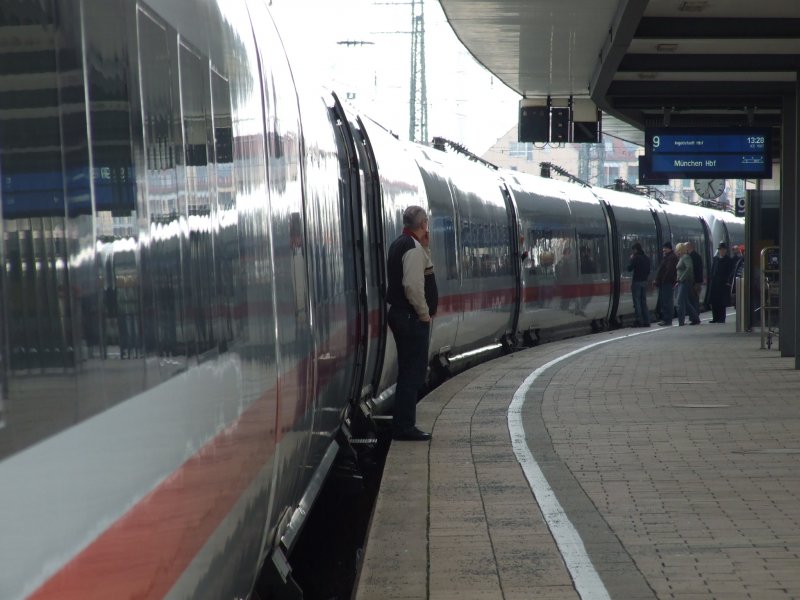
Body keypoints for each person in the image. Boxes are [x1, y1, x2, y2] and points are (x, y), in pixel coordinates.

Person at [386, 205, 436, 441]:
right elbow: (413, 286)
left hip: (400, 315)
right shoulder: (413, 249)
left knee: (408, 371)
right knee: (412, 374)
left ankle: (403, 424)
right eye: (427, 222)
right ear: (424, 223)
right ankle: (405, 426)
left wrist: (425, 248)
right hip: (410, 317)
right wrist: (424, 313)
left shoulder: (399, 244)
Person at [675, 243, 700, 326]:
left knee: (680, 301)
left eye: (678, 250)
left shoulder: (685, 257)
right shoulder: (682, 258)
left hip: (685, 282)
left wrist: (681, 278)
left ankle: (681, 321)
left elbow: (689, 267)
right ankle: (695, 318)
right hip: (681, 282)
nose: (676, 252)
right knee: (685, 302)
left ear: (681, 250)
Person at [654, 241, 678, 326]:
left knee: (667, 302)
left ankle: (667, 320)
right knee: (665, 301)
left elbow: (669, 271)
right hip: (665, 283)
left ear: (669, 248)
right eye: (663, 248)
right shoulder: (668, 257)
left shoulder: (671, 258)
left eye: (665, 248)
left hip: (667, 283)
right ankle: (666, 319)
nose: (664, 249)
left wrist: (663, 280)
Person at [709, 242, 734, 323]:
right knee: (714, 301)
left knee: (722, 302)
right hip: (715, 283)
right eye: (720, 250)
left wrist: (728, 281)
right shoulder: (715, 259)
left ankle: (721, 318)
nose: (721, 251)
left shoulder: (728, 260)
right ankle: (715, 318)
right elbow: (713, 270)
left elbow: (731, 272)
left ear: (725, 250)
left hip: (723, 283)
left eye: (723, 250)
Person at [626, 242, 650, 327]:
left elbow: (629, 268)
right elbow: (648, 270)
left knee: (637, 302)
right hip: (644, 282)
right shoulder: (646, 258)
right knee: (643, 302)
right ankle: (647, 321)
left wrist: (631, 259)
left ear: (635, 250)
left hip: (637, 282)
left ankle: (639, 320)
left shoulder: (636, 258)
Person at [686, 241, 703, 317]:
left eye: (685, 247)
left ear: (689, 247)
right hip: (697, 281)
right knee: (694, 299)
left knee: (694, 299)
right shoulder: (696, 256)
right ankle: (695, 315)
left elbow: (695, 270)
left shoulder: (692, 257)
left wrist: (695, 281)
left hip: (695, 282)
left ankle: (695, 316)